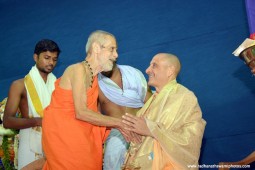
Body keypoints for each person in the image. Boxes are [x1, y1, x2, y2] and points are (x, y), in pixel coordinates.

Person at [42, 30, 131, 170]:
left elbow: (94, 114)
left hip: (83, 140)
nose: (116, 55)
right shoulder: (77, 69)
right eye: (112, 49)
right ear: (96, 48)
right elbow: (81, 112)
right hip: (65, 140)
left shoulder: (94, 77)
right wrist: (120, 123)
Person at [122, 53, 206, 170]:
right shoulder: (151, 101)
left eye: (154, 65)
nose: (147, 70)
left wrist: (152, 130)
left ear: (170, 71)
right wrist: (133, 131)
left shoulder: (184, 97)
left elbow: (191, 140)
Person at [3, 39, 61, 169]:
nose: (51, 62)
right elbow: (7, 121)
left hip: (53, 142)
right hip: (29, 144)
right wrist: (37, 121)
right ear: (35, 57)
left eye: (54, 59)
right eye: (47, 58)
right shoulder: (19, 85)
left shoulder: (58, 85)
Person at [98, 62, 153, 170]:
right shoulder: (94, 84)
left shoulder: (133, 74)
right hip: (116, 130)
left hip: (142, 125)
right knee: (113, 153)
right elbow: (96, 115)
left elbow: (152, 104)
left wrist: (147, 127)